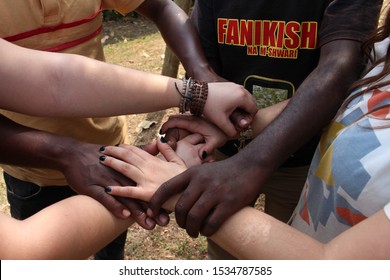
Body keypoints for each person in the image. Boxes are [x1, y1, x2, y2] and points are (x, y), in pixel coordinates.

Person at [100, 18, 390, 256]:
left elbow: (329, 265)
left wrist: (177, 189)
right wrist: (234, 127)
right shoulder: (383, 51)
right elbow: (352, 88)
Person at [0, 0, 238, 260]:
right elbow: (24, 252)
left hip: (110, 156)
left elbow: (56, 82)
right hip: (34, 174)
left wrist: (197, 90)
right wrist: (154, 179)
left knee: (110, 257)